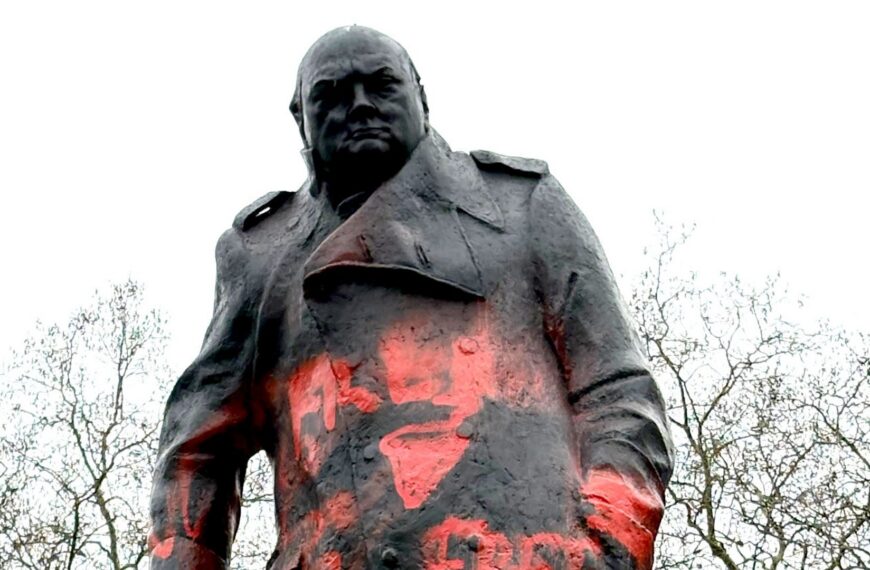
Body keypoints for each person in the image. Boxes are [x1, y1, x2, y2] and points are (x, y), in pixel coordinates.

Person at [149, 25, 674, 570]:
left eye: (381, 85)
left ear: (420, 95)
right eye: (331, 93)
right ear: (298, 116)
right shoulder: (260, 254)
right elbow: (197, 452)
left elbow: (618, 391)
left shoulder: (521, 205)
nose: (359, 105)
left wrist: (610, 545)